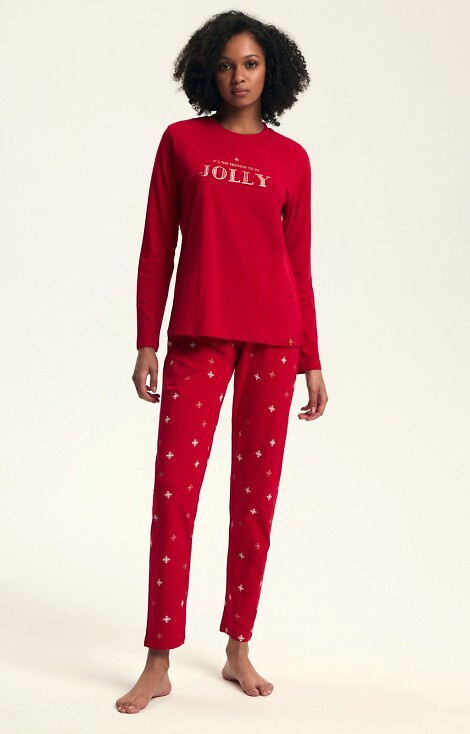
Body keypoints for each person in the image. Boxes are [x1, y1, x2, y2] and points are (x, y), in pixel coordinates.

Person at [116, 9, 328, 714]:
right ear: (209, 71)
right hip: (199, 335)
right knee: (174, 495)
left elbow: (298, 265)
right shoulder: (181, 142)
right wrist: (147, 340)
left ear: (273, 72)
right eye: (228, 64)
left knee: (255, 500)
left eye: (252, 64)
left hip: (274, 340)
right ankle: (158, 659)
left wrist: (311, 357)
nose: (239, 76)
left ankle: (239, 645)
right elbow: (157, 246)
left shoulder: (292, 159)